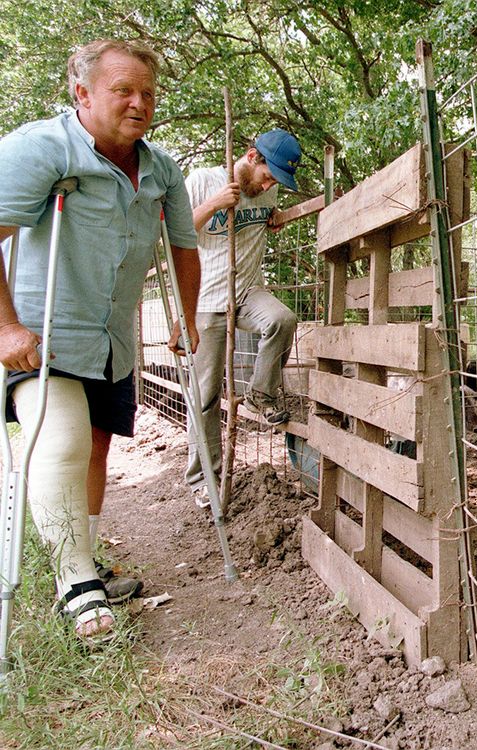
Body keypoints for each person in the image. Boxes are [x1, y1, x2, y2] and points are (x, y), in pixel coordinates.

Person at [0, 39, 200, 640]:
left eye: (148, 93)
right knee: (60, 440)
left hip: (110, 338)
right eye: (123, 91)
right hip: (42, 333)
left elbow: (185, 249)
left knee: (94, 446)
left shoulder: (161, 169)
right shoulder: (41, 148)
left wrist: (187, 320)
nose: (139, 103)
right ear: (82, 94)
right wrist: (5, 327)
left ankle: (85, 559)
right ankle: (74, 583)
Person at [183, 129, 300, 506]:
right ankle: (203, 479)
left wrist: (276, 218)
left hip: (248, 290)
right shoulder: (202, 181)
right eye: (268, 175)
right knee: (205, 396)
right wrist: (215, 204)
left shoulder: (268, 190)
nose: (269, 185)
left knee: (282, 320)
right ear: (251, 156)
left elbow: (268, 214)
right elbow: (172, 231)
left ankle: (260, 395)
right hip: (206, 300)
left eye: (276, 182)